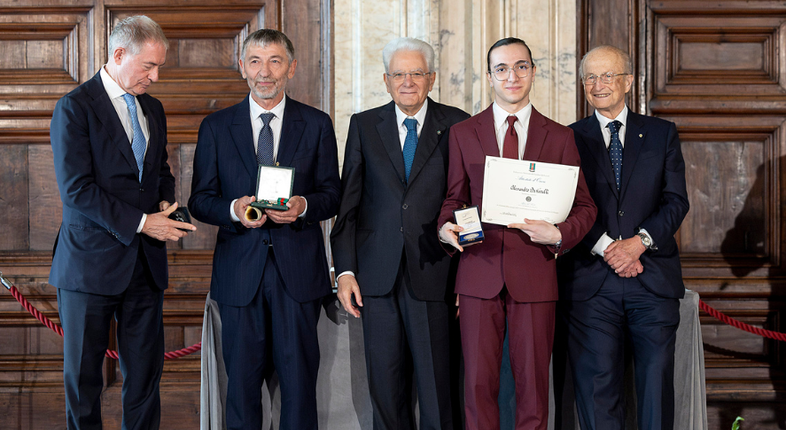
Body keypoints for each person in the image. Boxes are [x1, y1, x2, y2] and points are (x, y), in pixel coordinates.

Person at [437, 37, 596, 430]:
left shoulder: (560, 136)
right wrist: (446, 227)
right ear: (489, 76)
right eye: (502, 69)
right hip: (478, 271)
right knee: (476, 384)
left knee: (534, 387)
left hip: (535, 273)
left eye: (521, 66)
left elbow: (586, 207)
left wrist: (559, 233)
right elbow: (453, 198)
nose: (512, 76)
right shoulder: (462, 133)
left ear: (533, 71)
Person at [188, 29, 340, 430]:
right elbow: (200, 200)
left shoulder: (317, 123)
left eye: (274, 61)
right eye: (255, 61)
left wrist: (304, 206)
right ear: (242, 67)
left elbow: (333, 194)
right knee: (239, 388)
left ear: (291, 67)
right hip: (240, 274)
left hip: (299, 273)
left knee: (299, 388)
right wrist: (235, 210)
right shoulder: (216, 127)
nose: (264, 72)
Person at [49, 15, 196, 430]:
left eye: (159, 68)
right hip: (88, 266)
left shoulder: (152, 107)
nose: (155, 77)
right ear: (118, 54)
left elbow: (159, 172)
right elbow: (77, 190)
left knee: (146, 377)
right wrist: (143, 222)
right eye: (148, 66)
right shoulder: (75, 107)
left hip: (145, 267)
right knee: (84, 381)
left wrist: (168, 206)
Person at [331, 37, 470, 430]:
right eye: (398, 74)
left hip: (437, 274)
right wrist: (345, 272)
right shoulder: (363, 125)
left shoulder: (459, 124)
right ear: (386, 80)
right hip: (376, 278)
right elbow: (349, 206)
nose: (407, 81)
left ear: (432, 78)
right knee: (386, 391)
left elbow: (469, 201)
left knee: (438, 392)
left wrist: (469, 274)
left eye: (416, 73)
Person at [557, 45, 690, 430]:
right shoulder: (567, 138)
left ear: (628, 81)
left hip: (652, 280)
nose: (599, 85)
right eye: (590, 77)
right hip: (591, 285)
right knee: (597, 393)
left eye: (608, 75)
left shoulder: (663, 134)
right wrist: (607, 248)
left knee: (654, 389)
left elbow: (675, 201)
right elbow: (565, 204)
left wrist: (638, 243)